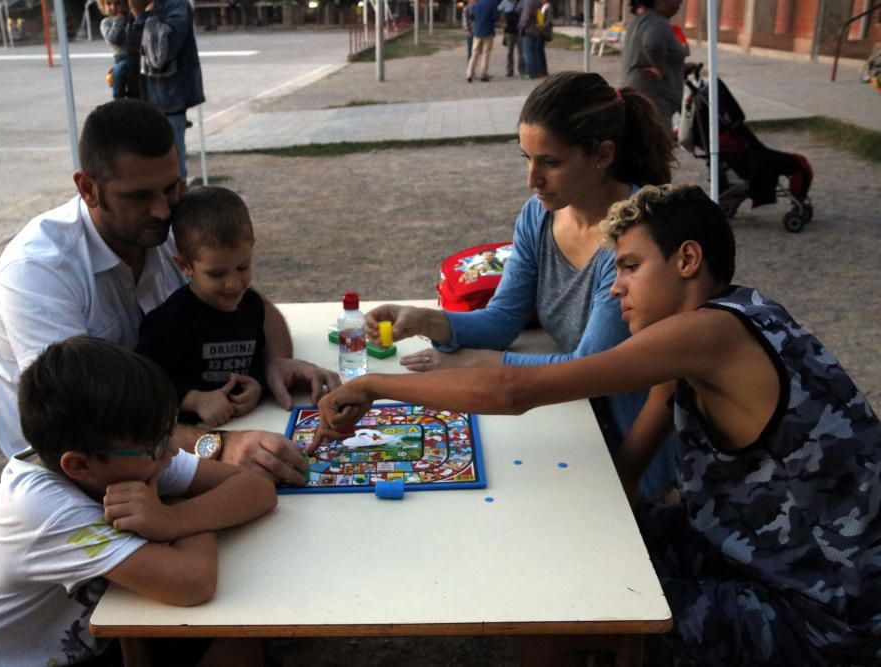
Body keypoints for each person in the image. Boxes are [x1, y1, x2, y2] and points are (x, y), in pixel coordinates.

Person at [316, 184, 881, 666]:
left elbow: (515, 392)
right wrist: (617, 503)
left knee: (566, 611)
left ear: (687, 260)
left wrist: (372, 385)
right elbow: (644, 440)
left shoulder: (709, 334)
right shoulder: (730, 320)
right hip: (751, 549)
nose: (615, 287)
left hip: (828, 613)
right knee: (565, 540)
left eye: (631, 267)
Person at [0, 99, 338, 485]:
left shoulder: (167, 229)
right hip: (79, 467)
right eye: (139, 196)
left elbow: (254, 304)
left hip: (161, 440)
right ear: (88, 188)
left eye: (171, 188)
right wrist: (217, 446)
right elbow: (85, 420)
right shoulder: (38, 273)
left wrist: (277, 361)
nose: (161, 211)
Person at [364, 72, 677, 501]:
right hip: (566, 420)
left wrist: (480, 364)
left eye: (550, 162)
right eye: (526, 159)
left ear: (603, 155)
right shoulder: (538, 215)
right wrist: (425, 320)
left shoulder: (635, 238)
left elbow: (586, 370)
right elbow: (502, 319)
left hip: (632, 454)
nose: (533, 179)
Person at [0, 336, 278, 666]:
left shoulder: (133, 454)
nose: (171, 452)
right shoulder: (45, 510)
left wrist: (172, 517)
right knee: (224, 635)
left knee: (232, 638)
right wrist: (178, 511)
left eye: (167, 434)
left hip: (71, 641)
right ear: (79, 465)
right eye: (157, 445)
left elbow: (257, 488)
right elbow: (193, 583)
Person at [135, 186, 267, 428]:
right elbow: (145, 386)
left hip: (255, 424)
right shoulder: (165, 324)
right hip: (189, 441)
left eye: (242, 267)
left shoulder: (252, 306)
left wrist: (257, 385)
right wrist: (194, 400)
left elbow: (258, 358)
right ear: (185, 265)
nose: (233, 284)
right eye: (216, 274)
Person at [132, 0, 204, 183]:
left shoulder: (177, 6)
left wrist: (140, 15)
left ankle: (178, 209)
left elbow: (161, 53)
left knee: (173, 174)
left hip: (167, 103)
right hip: (138, 99)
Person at [620, 0, 687, 132]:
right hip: (654, 95)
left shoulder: (641, 20)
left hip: (639, 90)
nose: (680, 3)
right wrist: (660, 68)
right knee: (657, 139)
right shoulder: (657, 21)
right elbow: (652, 44)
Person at [99, 0, 129, 99]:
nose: (113, 7)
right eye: (108, 4)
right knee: (118, 72)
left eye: (117, 3)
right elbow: (113, 38)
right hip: (121, 57)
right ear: (103, 5)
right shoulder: (106, 23)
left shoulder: (129, 18)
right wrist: (119, 20)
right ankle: (118, 99)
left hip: (134, 54)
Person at [466, 0, 497, 83]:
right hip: (488, 31)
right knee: (485, 53)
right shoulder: (492, 3)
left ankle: (469, 73)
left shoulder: (476, 4)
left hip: (477, 31)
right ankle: (483, 74)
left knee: (474, 53)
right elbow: (495, 17)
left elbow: (471, 16)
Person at [518, 0, 548, 78]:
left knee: (528, 53)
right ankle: (537, 71)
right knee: (534, 53)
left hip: (528, 30)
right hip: (536, 30)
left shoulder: (528, 2)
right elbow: (540, 17)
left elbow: (525, 17)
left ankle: (530, 72)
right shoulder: (538, 2)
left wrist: (521, 26)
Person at [498, 0, 525, 77]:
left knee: (521, 52)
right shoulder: (504, 2)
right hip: (509, 31)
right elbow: (498, 13)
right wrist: (502, 23)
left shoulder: (522, 2)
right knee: (509, 52)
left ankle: (522, 69)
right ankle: (510, 70)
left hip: (519, 31)